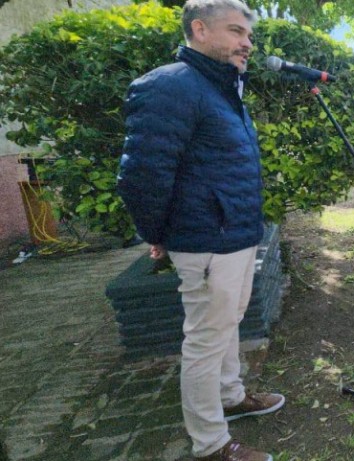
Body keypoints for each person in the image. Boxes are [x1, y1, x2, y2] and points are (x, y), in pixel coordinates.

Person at [117, 2, 283, 460]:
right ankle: (211, 443)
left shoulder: (222, 88)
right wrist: (159, 235)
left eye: (248, 34)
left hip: (234, 234)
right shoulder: (169, 86)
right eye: (235, 31)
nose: (246, 42)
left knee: (227, 325)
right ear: (199, 29)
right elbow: (142, 175)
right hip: (205, 239)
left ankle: (232, 396)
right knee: (206, 341)